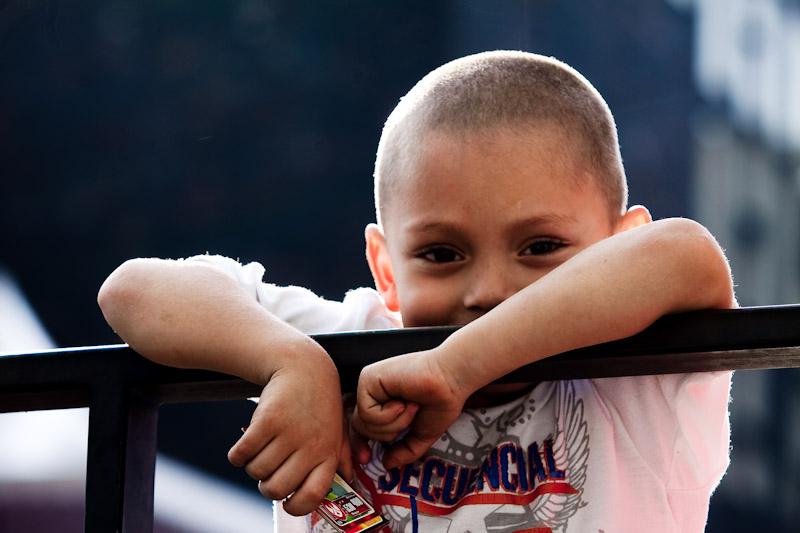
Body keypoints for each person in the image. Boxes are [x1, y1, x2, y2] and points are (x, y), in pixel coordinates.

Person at [98, 51, 735, 532]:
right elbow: (131, 290)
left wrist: (455, 366)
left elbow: (684, 255)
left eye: (541, 247)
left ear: (618, 240)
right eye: (441, 254)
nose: (488, 291)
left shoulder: (639, 381)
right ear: (387, 268)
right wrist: (290, 363)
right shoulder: (347, 344)